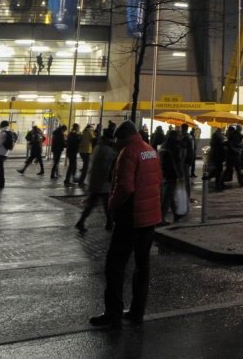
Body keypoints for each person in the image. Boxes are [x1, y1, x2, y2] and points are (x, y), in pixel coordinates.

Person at [90, 121, 161, 328]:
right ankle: (137, 312)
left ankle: (113, 313)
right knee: (142, 266)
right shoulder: (150, 151)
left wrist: (111, 205)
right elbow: (158, 181)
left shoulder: (128, 153)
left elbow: (125, 187)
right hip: (149, 219)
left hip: (131, 218)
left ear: (122, 139)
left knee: (115, 266)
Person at [76, 132, 119, 232]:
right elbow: (107, 166)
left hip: (95, 182)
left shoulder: (98, 148)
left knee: (93, 204)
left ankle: (81, 222)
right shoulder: (107, 150)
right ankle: (109, 224)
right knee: (107, 205)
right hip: (103, 183)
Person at [159, 128, 186, 223]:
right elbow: (177, 161)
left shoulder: (164, 145)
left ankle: (176, 214)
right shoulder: (174, 146)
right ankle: (161, 217)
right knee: (168, 195)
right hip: (173, 173)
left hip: (166, 172)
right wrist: (180, 173)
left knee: (170, 194)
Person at [0, 121, 14, 189]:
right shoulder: (9, 132)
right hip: (5, 153)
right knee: (0, 168)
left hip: (0, 153)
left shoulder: (2, 132)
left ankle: (0, 183)